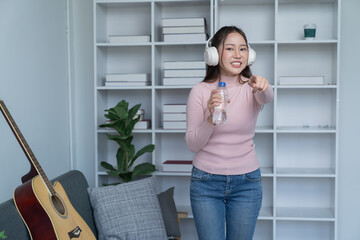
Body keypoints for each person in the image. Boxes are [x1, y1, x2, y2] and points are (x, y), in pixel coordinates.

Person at [185, 26, 274, 240]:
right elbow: (192, 144)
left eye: (243, 49)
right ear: (214, 54)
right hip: (205, 182)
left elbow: (267, 97)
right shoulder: (200, 90)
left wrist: (264, 86)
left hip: (247, 183)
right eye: (230, 49)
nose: (238, 55)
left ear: (249, 55)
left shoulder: (252, 87)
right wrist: (210, 117)